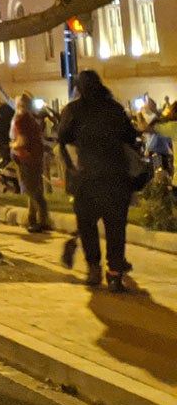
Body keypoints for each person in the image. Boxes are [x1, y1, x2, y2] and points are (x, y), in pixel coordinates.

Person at [57, 68, 142, 291]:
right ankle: (115, 274)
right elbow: (131, 136)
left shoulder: (73, 110)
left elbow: (62, 139)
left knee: (87, 226)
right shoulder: (114, 109)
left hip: (87, 178)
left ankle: (93, 268)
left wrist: (71, 168)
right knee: (116, 228)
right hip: (116, 177)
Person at [9, 94, 51, 233]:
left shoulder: (20, 120)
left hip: (26, 158)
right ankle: (32, 217)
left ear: (20, 104)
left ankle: (42, 219)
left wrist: (13, 145)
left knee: (32, 189)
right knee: (35, 187)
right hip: (36, 157)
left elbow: (22, 141)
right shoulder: (32, 119)